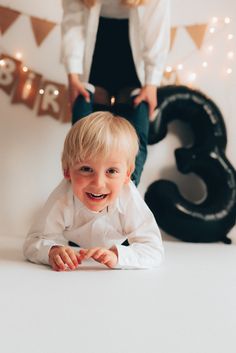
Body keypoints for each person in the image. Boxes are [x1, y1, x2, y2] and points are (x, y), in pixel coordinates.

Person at [23, 112, 164, 270]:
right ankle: (83, 95)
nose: (98, 183)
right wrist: (52, 251)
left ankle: (141, 107)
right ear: (67, 171)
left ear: (127, 175)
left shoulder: (128, 198)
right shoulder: (62, 198)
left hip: (119, 207)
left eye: (111, 170)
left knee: (138, 148)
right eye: (86, 169)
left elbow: (153, 249)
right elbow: (33, 241)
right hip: (78, 238)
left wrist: (119, 256)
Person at [61, 0, 170, 185]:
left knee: (135, 138)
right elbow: (73, 23)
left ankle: (129, 192)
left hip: (132, 57)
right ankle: (81, 195)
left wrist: (152, 82)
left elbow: (157, 30)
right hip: (95, 49)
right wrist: (73, 76)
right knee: (84, 138)